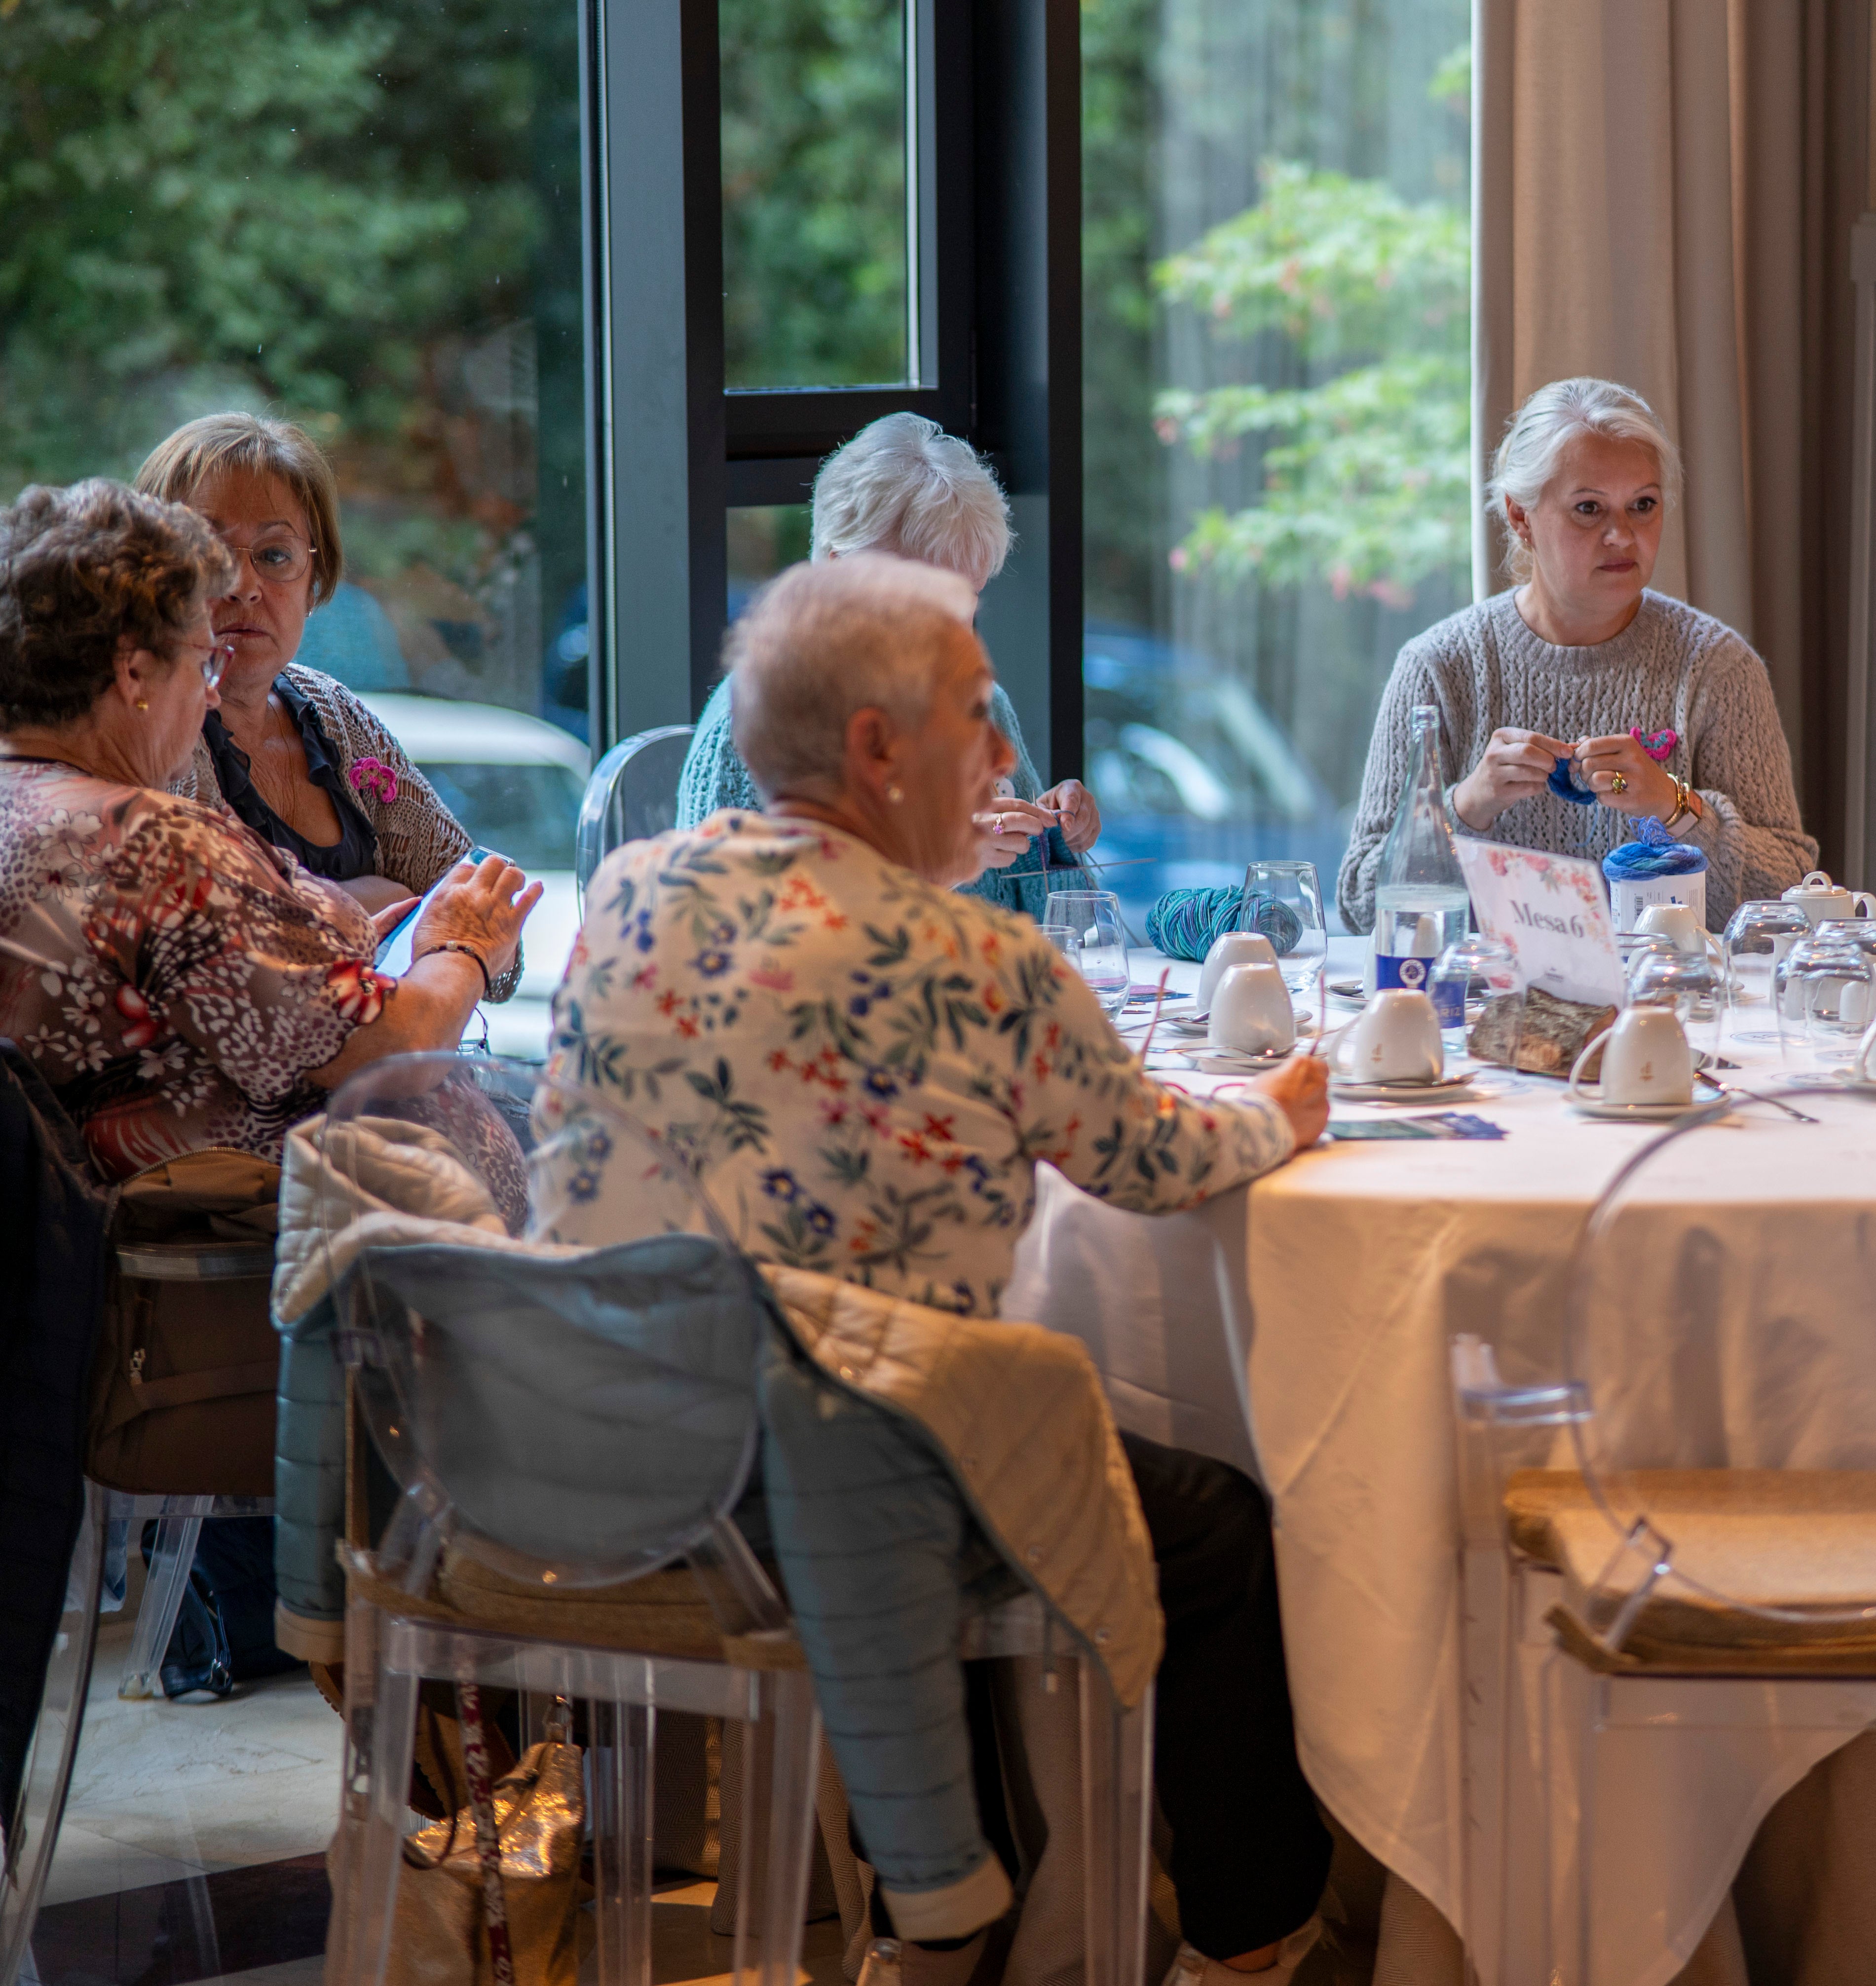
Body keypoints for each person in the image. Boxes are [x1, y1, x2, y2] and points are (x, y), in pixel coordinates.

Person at [553, 554, 1331, 1984]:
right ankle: (1254, 1942)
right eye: (980, 715)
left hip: (608, 1453)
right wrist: (1274, 1111)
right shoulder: (976, 956)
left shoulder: (628, 892)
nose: (1008, 755)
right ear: (875, 746)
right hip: (834, 1494)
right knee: (1209, 1520)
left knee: (960, 1418)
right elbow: (1151, 1164)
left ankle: (950, 1901)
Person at [0, 480, 536, 1178]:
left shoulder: (26, 806)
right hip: (274, 1265)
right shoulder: (159, 847)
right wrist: (461, 945)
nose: (213, 690)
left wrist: (327, 944)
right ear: (134, 672)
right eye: (203, 661)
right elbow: (399, 1050)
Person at [1335, 377, 1816, 932]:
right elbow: (1360, 906)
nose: (1622, 535)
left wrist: (1674, 803)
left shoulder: (1717, 669)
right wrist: (1467, 807)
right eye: (1589, 508)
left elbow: (1792, 894)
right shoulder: (1439, 669)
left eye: (1643, 505)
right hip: (1482, 1013)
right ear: (1520, 518)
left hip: (1669, 1010)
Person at [132, 414, 523, 998]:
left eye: (275, 555)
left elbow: (498, 941)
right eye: (207, 551)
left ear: (315, 580)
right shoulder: (146, 734)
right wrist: (375, 902)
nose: (243, 583)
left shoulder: (336, 714)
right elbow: (222, 971)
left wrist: (316, 922)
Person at [675, 412, 1099, 917]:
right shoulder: (751, 724)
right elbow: (737, 948)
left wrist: (1053, 831)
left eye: (965, 605)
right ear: (837, 571)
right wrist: (940, 870)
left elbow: (1050, 915)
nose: (950, 634)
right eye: (923, 603)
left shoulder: (979, 706)